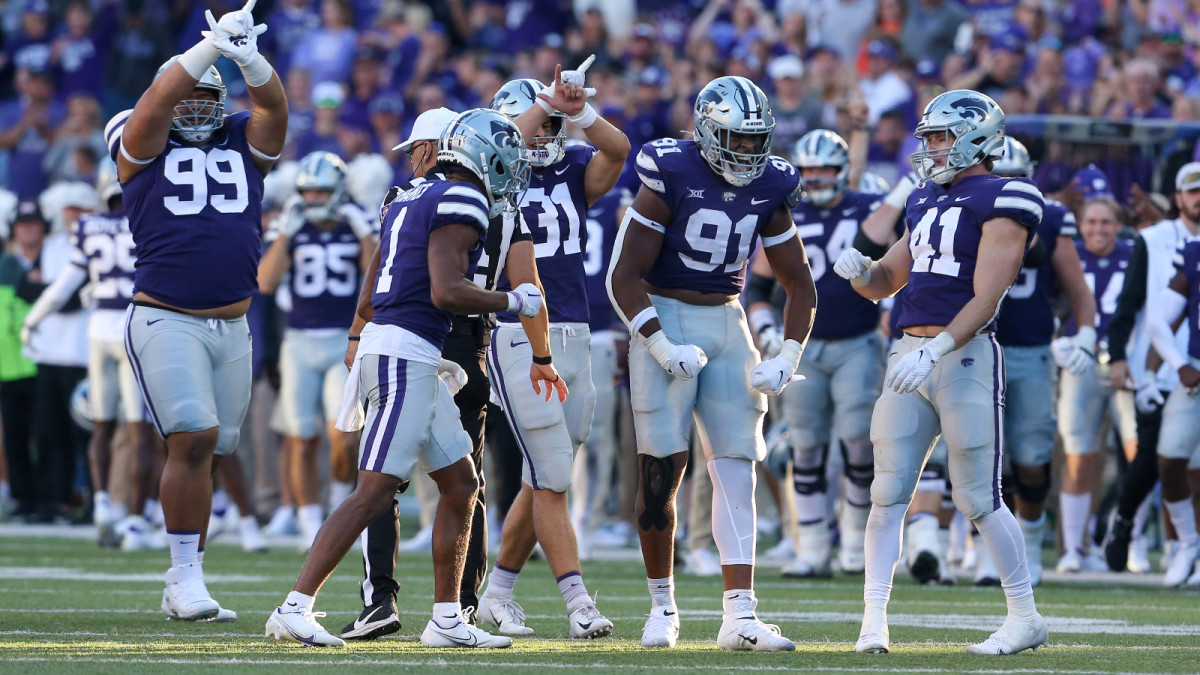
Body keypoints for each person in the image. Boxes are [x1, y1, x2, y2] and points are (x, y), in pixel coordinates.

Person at [265, 108, 542, 649]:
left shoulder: (407, 196)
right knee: (375, 490)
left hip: (401, 347)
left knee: (461, 486)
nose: (511, 166)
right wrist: (512, 298)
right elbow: (446, 291)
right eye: (504, 154)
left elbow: (369, 296)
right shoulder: (461, 198)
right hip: (405, 353)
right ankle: (294, 607)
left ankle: (446, 619)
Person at [608, 75, 817, 652]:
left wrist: (787, 355)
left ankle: (741, 616)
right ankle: (662, 607)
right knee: (660, 476)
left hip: (728, 320)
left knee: (737, 470)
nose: (748, 151)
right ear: (705, 130)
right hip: (664, 313)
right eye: (736, 138)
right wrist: (657, 344)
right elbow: (622, 276)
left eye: (756, 139)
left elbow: (800, 286)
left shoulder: (772, 181)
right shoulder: (670, 170)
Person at [833, 90, 1046, 654]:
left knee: (978, 494)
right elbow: (887, 281)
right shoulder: (925, 200)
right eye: (926, 137)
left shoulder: (1007, 195)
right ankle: (873, 622)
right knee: (887, 492)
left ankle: (1024, 616)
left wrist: (940, 347)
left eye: (938, 136)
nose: (928, 148)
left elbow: (989, 295)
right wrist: (860, 272)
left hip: (965, 355)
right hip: (909, 354)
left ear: (976, 137)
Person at [108, 0, 287, 621]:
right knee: (192, 434)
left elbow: (275, 110)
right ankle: (186, 577)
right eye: (187, 94)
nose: (194, 106)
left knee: (215, 445)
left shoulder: (242, 135)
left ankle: (184, 575)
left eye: (206, 97)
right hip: (165, 314)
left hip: (233, 320)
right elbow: (157, 102)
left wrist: (249, 58)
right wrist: (210, 48)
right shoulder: (139, 137)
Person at [475, 60, 629, 640]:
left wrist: (578, 109)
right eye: (530, 124)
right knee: (553, 474)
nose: (539, 135)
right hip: (518, 332)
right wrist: (543, 101)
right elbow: (506, 140)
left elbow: (619, 151)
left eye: (547, 126)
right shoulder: (490, 175)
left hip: (577, 330)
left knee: (545, 478)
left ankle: (497, 595)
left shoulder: (572, 169)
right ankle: (578, 601)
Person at [746, 129, 885, 579]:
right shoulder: (788, 213)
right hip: (801, 348)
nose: (818, 177)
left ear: (844, 169)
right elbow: (760, 288)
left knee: (859, 444)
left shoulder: (867, 209)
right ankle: (811, 547)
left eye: (826, 168)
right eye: (809, 170)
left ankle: (854, 542)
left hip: (858, 342)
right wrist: (767, 329)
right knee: (805, 447)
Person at [20, 165, 162, 548]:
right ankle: (134, 521)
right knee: (138, 430)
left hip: (98, 327)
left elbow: (62, 287)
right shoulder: (149, 219)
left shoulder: (88, 228)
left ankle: (102, 505)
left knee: (101, 424)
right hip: (135, 324)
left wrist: (32, 321)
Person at [985, 136, 1096, 585]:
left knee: (1031, 456)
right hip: (975, 345)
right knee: (982, 457)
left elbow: (1078, 291)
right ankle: (981, 550)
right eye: (1001, 178)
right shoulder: (967, 210)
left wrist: (1082, 333)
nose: (1009, 188)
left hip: (1029, 349)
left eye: (1017, 179)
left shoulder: (1050, 218)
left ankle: (1029, 542)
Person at [258, 151, 374, 552]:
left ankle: (340, 508)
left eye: (321, 190)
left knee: (343, 435)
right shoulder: (293, 227)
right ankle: (310, 524)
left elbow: (376, 279)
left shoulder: (356, 222)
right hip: (300, 341)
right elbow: (265, 282)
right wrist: (286, 233)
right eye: (307, 191)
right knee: (302, 437)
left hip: (345, 341)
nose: (313, 198)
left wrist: (363, 234)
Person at [1104, 163, 1200, 575]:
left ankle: (1182, 546)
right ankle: (1126, 523)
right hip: (1162, 364)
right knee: (1155, 459)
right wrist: (1120, 356)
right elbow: (1133, 305)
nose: (1198, 198)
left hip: (1185, 363)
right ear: (1178, 197)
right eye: (1192, 191)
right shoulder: (1154, 238)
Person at [1055, 198, 1136, 574]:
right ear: (1080, 224)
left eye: (1106, 222)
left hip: (1127, 362)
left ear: (1119, 225)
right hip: (1081, 359)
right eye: (1091, 222)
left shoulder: (1136, 253)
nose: (1098, 229)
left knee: (1139, 458)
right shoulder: (1067, 252)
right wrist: (1056, 338)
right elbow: (1051, 302)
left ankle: (1128, 541)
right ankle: (1075, 546)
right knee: (1078, 455)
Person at [1144, 174, 1200, 588]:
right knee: (1170, 459)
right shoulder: (1194, 253)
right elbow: (1158, 319)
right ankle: (1186, 541)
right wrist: (1179, 362)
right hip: (1196, 371)